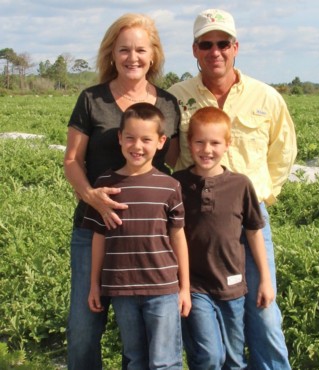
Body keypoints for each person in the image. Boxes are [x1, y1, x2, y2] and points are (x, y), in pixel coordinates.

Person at [168, 8, 297, 370]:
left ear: (235, 46)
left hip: (250, 222)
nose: (215, 51)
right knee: (203, 311)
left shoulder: (265, 97)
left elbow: (283, 150)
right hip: (197, 224)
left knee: (264, 313)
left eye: (223, 43)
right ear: (194, 50)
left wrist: (261, 195)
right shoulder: (176, 97)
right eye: (206, 44)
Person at [63, 13, 181, 370]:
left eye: (141, 50)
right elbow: (71, 160)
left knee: (148, 333)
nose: (133, 57)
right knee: (85, 324)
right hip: (93, 229)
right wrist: (92, 197)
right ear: (111, 54)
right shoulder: (91, 99)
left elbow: (170, 163)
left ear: (154, 55)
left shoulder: (167, 104)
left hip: (148, 236)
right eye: (124, 49)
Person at [82, 103, 191, 369]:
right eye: (130, 137)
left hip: (163, 288)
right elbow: (99, 238)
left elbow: (178, 237)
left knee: (165, 361)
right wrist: (95, 284)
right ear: (119, 138)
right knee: (134, 358)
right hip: (122, 289)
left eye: (146, 139)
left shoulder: (169, 186)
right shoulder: (105, 186)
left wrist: (184, 287)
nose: (137, 146)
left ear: (161, 141)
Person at [173, 107, 275, 370]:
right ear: (189, 143)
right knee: (208, 357)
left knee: (234, 359)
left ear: (228, 145)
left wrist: (264, 279)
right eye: (200, 142)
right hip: (195, 286)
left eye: (215, 143)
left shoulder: (240, 185)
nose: (207, 150)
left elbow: (254, 231)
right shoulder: (177, 184)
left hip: (233, 286)